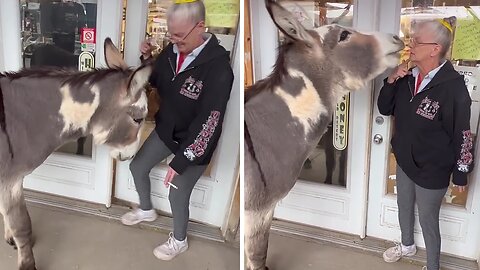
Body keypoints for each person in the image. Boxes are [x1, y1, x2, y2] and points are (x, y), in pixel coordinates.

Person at [120, 0, 234, 261]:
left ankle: (179, 240)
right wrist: (148, 58)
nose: (174, 41)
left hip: (195, 142)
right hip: (167, 129)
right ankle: (147, 209)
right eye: (171, 35)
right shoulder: (172, 53)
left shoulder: (218, 69)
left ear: (200, 27)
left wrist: (183, 160)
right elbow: (158, 80)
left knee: (177, 190)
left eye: (179, 36)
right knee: (137, 167)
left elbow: (210, 121)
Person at [378, 17, 473, 270]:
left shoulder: (453, 88)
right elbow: (384, 108)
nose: (410, 44)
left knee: (429, 219)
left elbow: (462, 133)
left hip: (434, 168)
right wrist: (390, 80)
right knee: (404, 205)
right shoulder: (407, 77)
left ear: (435, 49)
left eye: (416, 41)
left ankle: (432, 266)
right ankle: (407, 244)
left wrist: (461, 173)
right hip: (405, 159)